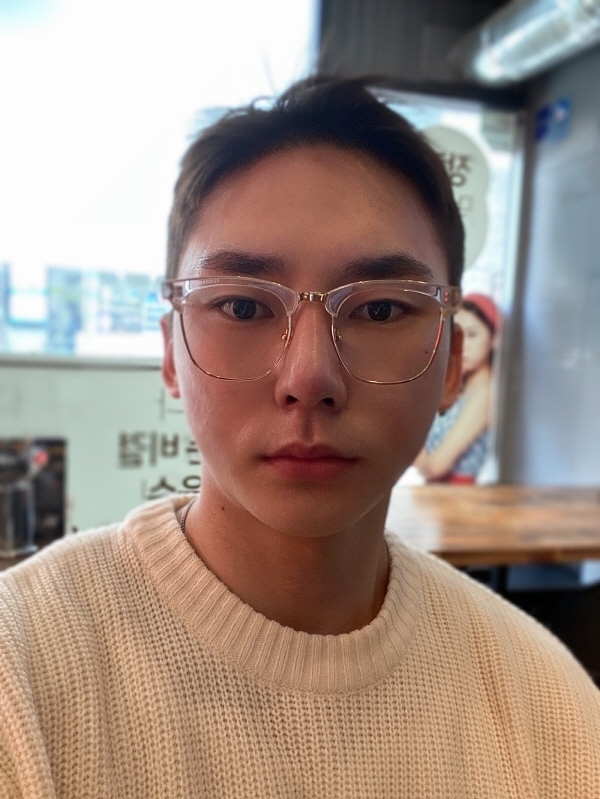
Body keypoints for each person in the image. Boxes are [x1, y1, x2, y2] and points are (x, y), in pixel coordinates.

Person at [0, 76, 598, 798]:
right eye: (243, 306)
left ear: (452, 364)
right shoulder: (21, 677)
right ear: (170, 355)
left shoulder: (551, 709)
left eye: (380, 310)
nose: (309, 376)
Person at [415, 292, 500, 483]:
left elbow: (436, 467)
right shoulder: (463, 386)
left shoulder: (486, 393)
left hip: (458, 497)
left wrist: (404, 438)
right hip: (437, 496)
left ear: (494, 338)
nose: (462, 346)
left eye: (472, 334)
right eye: (457, 335)